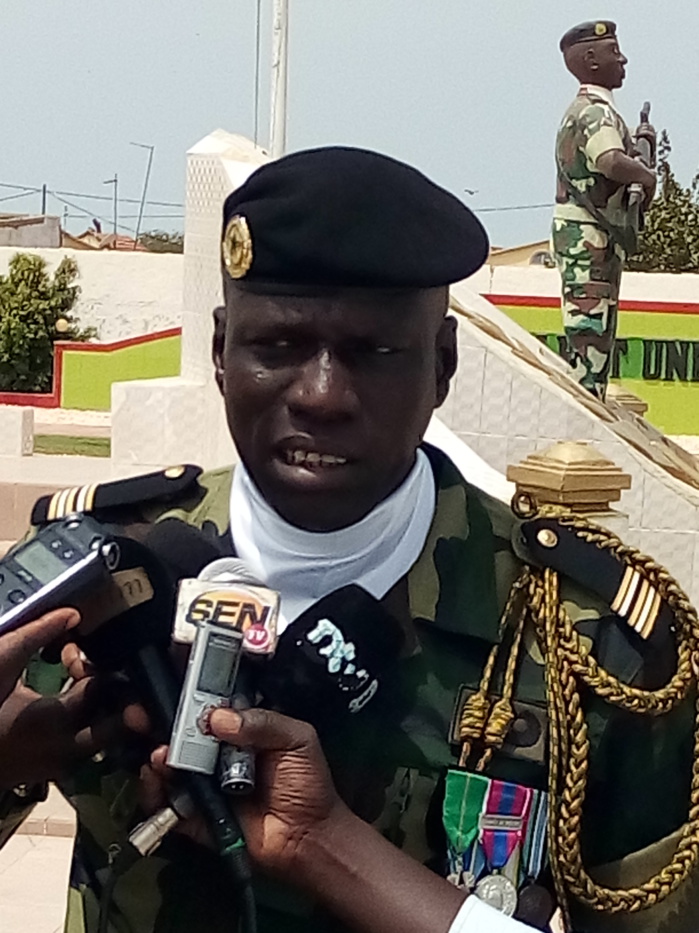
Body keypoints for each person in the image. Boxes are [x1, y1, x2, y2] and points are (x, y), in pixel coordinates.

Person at [4, 146, 697, 933]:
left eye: (372, 353)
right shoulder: (100, 577)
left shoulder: (590, 641)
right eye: (278, 347)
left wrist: (326, 849)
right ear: (220, 354)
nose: (324, 396)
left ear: (440, 366)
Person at [552, 21, 656, 399]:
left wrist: (642, 149)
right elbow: (611, 162)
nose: (623, 59)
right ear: (591, 60)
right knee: (589, 343)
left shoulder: (597, 111)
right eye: (614, 52)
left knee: (596, 338)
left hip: (596, 238)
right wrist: (645, 174)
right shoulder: (594, 113)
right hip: (589, 242)